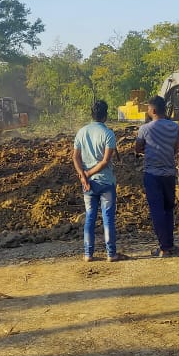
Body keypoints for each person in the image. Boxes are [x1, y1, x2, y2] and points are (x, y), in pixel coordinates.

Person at [72, 99, 120, 262]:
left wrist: (83, 175)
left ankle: (88, 253)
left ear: (91, 114)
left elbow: (75, 157)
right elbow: (106, 161)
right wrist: (89, 173)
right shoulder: (108, 134)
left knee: (90, 217)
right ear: (105, 115)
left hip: (88, 185)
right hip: (106, 182)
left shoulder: (81, 132)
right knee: (108, 218)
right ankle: (111, 253)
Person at [134, 94, 179, 257]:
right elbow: (176, 148)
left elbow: (138, 148)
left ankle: (164, 248)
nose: (147, 111)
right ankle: (170, 244)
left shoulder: (145, 129)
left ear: (153, 110)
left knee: (157, 211)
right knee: (168, 209)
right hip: (169, 174)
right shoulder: (174, 127)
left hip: (152, 174)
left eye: (147, 108)